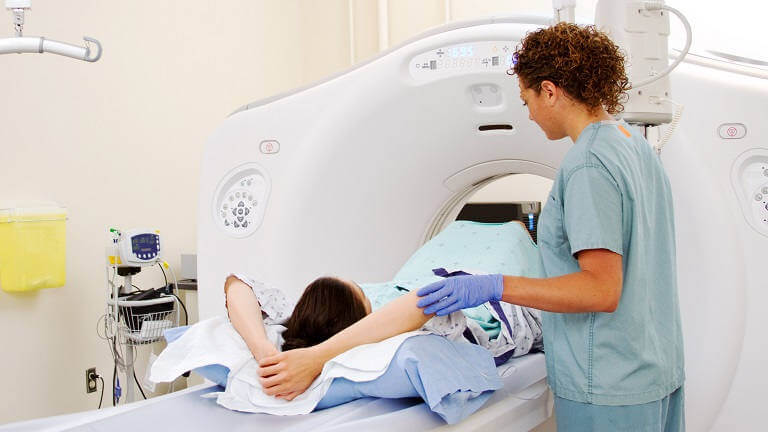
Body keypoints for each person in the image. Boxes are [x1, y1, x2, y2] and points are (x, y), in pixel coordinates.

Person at [416, 23, 685, 431]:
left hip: (608, 385)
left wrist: (494, 285)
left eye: (526, 99)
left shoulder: (588, 165)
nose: (528, 113)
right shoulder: (633, 145)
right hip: (654, 370)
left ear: (549, 90)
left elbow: (600, 289)